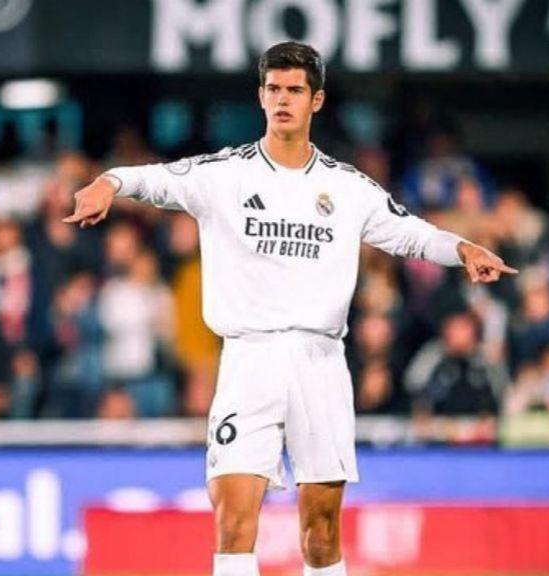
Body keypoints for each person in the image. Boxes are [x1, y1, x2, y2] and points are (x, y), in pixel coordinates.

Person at [63, 42, 517, 576]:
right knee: (233, 520)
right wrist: (107, 182)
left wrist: (461, 249)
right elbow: (153, 178)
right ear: (260, 96)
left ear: (316, 100)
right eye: (273, 89)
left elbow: (408, 233)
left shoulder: (345, 187)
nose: (282, 100)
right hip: (248, 358)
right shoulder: (224, 174)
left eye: (294, 91)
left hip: (319, 362)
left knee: (320, 531)